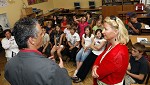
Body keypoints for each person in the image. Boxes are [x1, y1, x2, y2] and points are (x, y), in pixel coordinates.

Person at [4, 17, 71, 85]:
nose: (43, 35)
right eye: (41, 34)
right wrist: (62, 70)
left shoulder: (9, 65)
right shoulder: (51, 69)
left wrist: (44, 62)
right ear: (32, 40)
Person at [92, 15, 129, 85]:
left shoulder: (116, 53)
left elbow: (98, 74)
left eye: (105, 29)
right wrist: (95, 66)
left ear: (116, 31)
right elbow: (101, 56)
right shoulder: (113, 45)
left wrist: (95, 68)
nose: (102, 31)